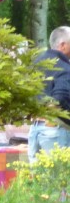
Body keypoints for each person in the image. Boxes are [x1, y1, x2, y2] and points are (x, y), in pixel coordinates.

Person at [28, 26, 70, 163]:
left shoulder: (36, 63)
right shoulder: (64, 67)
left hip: (34, 128)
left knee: (36, 181)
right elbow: (60, 98)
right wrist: (50, 120)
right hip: (54, 131)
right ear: (63, 45)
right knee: (59, 181)